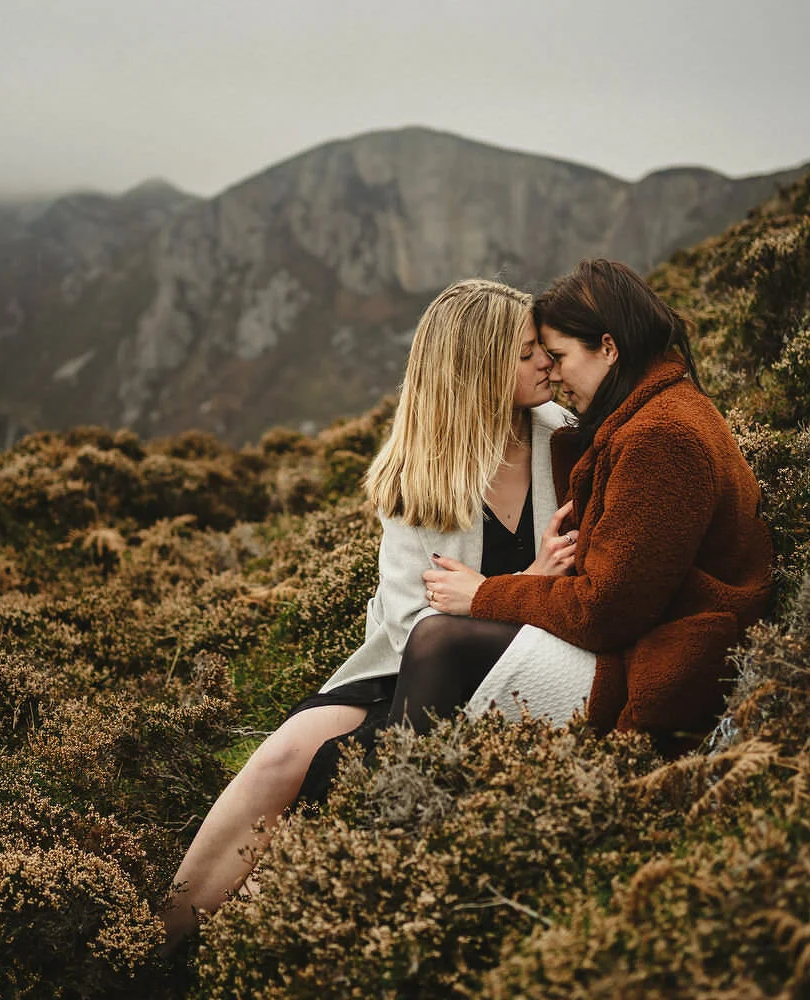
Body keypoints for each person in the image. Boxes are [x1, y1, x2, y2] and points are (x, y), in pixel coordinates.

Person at [159, 278, 574, 950]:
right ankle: (158, 942)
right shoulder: (421, 471)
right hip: (406, 661)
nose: (547, 363)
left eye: (542, 349)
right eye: (526, 354)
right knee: (281, 753)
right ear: (479, 371)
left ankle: (275, 911)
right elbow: (413, 628)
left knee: (335, 765)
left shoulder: (567, 439)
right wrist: (526, 582)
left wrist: (488, 595)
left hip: (503, 664)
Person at [408, 259, 774, 754]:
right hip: (651, 647)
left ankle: (405, 789)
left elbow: (605, 613)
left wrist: (484, 595)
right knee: (441, 647)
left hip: (666, 667)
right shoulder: (652, 413)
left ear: (608, 348)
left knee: (441, 642)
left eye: (559, 356)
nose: (554, 374)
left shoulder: (660, 437)